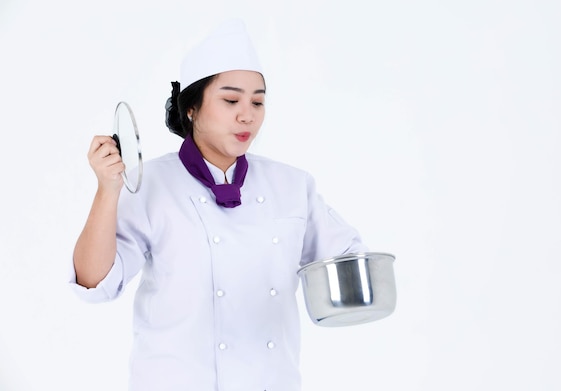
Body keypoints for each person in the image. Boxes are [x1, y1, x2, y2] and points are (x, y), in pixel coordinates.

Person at [70, 19, 368, 391]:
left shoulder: (291, 185)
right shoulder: (149, 184)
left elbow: (348, 260)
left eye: (258, 101)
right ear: (191, 109)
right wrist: (107, 190)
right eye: (230, 100)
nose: (248, 114)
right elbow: (95, 282)